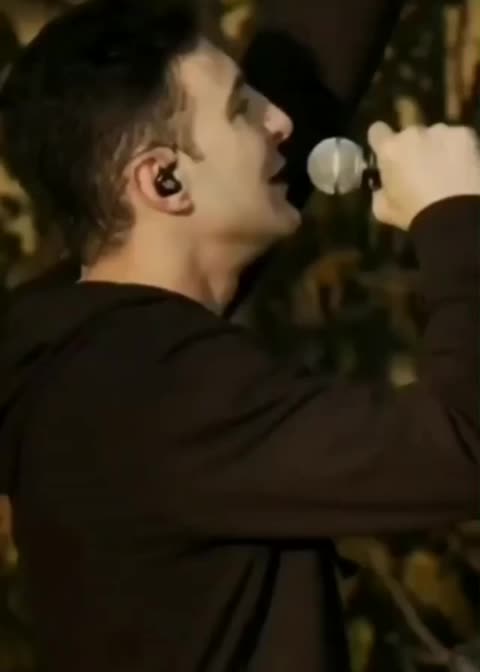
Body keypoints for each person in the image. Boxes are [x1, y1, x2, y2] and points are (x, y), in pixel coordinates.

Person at [0, 1, 479, 671]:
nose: (279, 122)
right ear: (164, 180)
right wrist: (455, 219)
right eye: (241, 109)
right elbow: (463, 446)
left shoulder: (86, 346)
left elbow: (299, 91)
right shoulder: (152, 390)